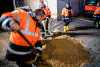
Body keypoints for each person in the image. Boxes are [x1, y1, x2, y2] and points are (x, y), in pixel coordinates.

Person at [0, 0, 46, 67]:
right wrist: (10, 22)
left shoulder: (38, 26)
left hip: (28, 52)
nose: (41, 19)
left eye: (43, 18)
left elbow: (38, 40)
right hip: (17, 50)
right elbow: (4, 17)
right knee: (22, 64)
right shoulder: (23, 14)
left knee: (26, 63)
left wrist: (38, 49)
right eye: (41, 17)